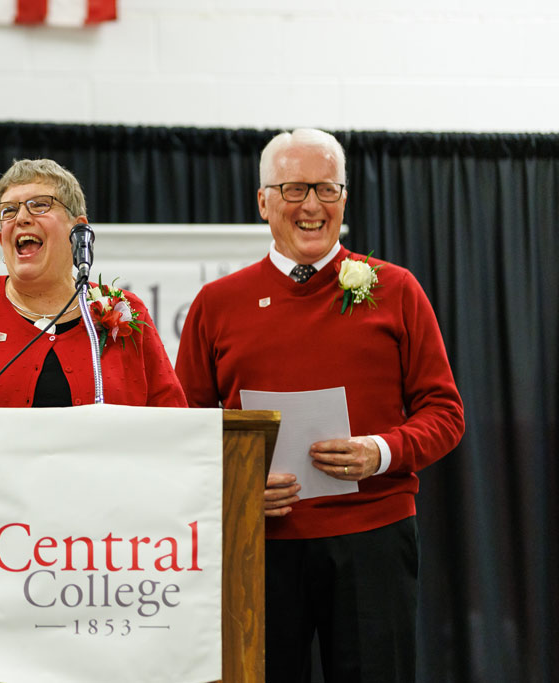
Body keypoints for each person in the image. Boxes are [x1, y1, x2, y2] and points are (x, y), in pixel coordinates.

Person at [175, 129, 464, 682]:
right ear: (262, 201)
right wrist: (234, 488)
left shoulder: (396, 289)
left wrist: (379, 451)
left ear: (345, 199)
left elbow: (445, 412)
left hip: (374, 541)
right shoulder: (217, 304)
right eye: (294, 188)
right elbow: (188, 424)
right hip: (258, 542)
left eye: (327, 189)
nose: (312, 205)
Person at [0, 158, 187, 677]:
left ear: (78, 230)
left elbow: (174, 426)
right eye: (7, 212)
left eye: (39, 205)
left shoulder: (119, 314)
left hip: (98, 562)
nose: (19, 219)